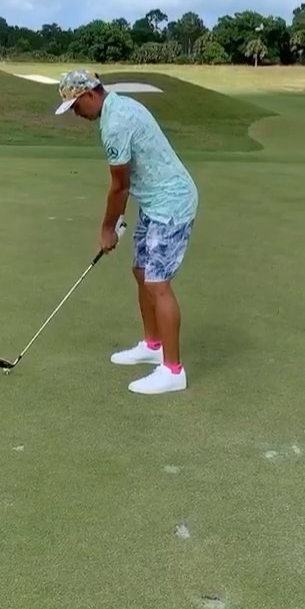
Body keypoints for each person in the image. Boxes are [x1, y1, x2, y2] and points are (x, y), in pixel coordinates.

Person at [54, 69, 198, 394]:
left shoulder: (115, 123)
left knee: (158, 282)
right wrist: (117, 220)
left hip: (171, 203)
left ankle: (173, 370)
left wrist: (107, 228)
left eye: (76, 107)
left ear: (90, 95)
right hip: (154, 201)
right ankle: (153, 344)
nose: (77, 115)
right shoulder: (117, 108)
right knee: (141, 270)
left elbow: (119, 186)